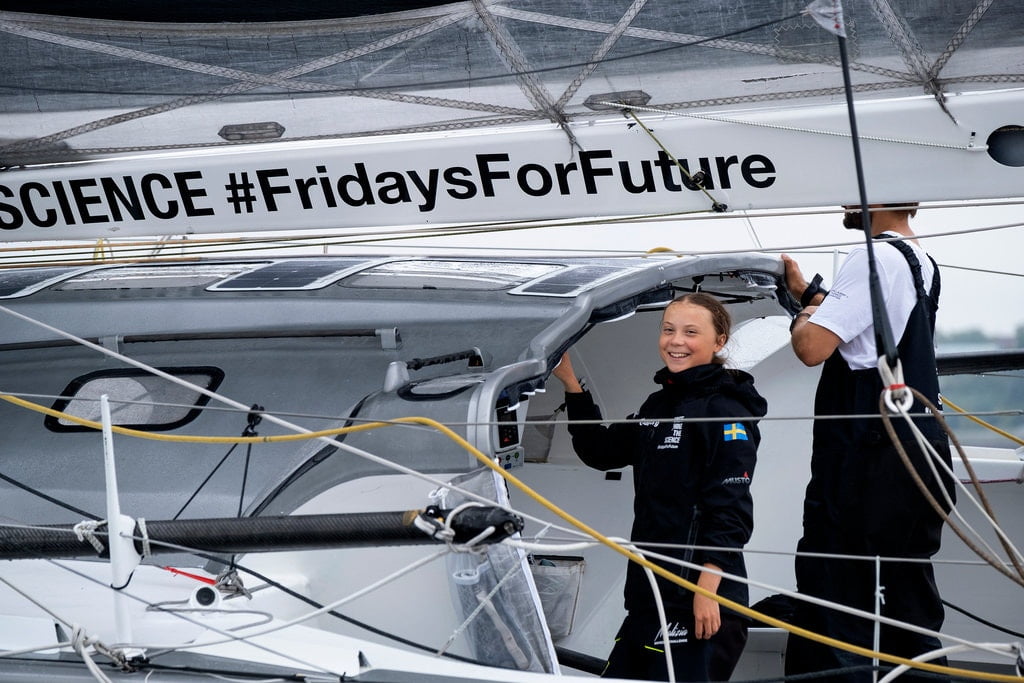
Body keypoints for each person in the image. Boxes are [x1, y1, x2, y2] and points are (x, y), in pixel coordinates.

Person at [551, 293, 766, 681]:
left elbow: (730, 506)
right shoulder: (658, 404)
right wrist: (570, 383)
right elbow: (600, 451)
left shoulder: (727, 409)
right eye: (668, 330)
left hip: (701, 599)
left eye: (690, 332)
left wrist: (708, 590)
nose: (676, 341)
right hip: (649, 595)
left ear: (719, 342)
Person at [782, 204, 956, 681]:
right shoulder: (920, 259)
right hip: (917, 449)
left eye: (851, 193)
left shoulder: (872, 256)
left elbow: (811, 348)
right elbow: (877, 327)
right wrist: (815, 293)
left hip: (866, 457)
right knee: (904, 600)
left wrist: (807, 312)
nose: (843, 204)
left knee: (835, 592)